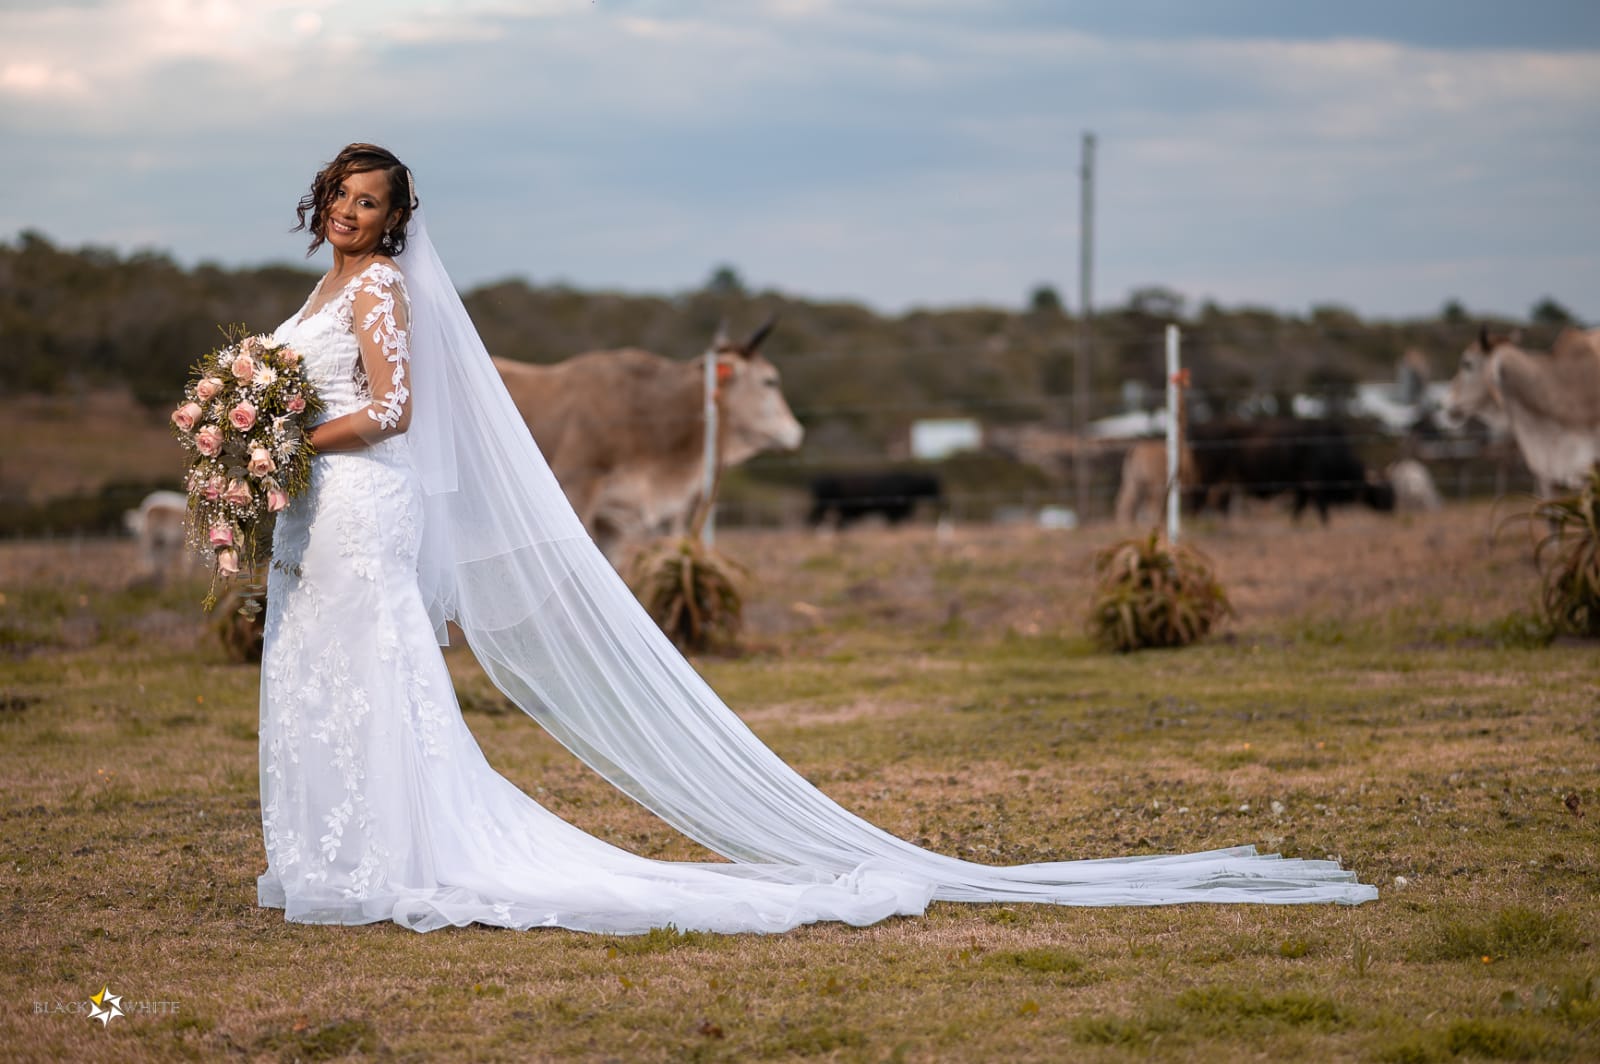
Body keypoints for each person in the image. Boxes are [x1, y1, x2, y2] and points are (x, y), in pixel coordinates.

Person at [258, 143, 1377, 935]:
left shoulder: (386, 295)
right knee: (326, 673)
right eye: (343, 196)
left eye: (372, 201)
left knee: (378, 672)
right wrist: (251, 432)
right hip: (322, 504)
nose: (354, 212)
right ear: (323, 202)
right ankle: (338, 855)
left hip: (360, 494)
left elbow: (396, 409)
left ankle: (396, 854)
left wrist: (293, 431)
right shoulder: (329, 286)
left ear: (397, 217)